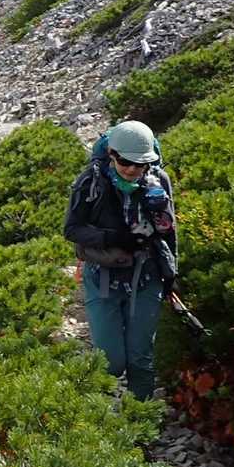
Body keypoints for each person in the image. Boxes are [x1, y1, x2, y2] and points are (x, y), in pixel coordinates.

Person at [62, 120, 178, 400]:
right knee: (110, 362)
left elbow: (170, 230)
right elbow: (72, 229)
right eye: (125, 162)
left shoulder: (159, 180)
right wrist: (113, 238)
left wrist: (171, 273)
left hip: (147, 275)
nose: (132, 169)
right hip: (103, 277)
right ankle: (92, 409)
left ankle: (141, 416)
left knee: (141, 357)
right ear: (112, 154)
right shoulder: (90, 182)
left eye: (140, 164)